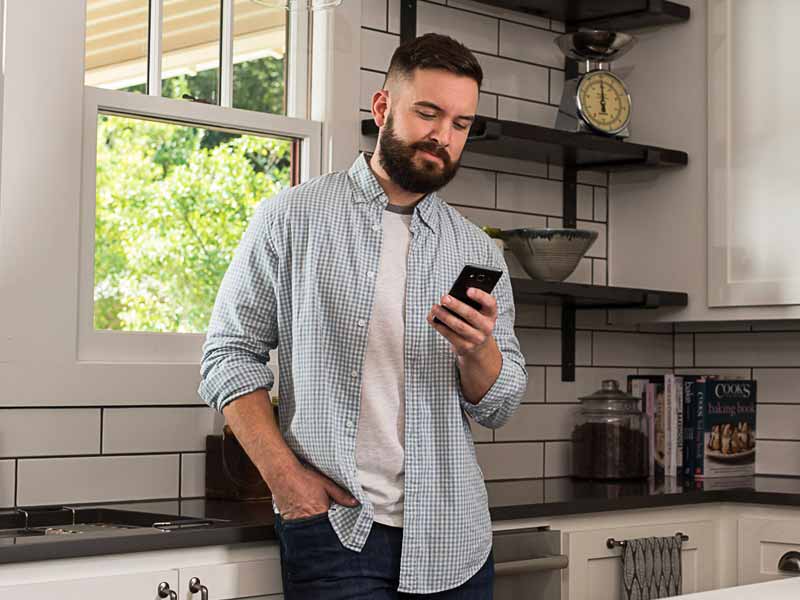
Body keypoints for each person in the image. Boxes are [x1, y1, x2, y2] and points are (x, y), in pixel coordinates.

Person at [199, 32, 527, 599]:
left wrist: (480, 349)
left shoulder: (475, 250)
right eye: (428, 113)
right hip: (336, 533)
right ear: (382, 108)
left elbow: (499, 405)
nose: (442, 136)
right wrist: (287, 482)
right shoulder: (290, 219)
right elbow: (227, 356)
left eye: (460, 124)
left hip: (456, 537)